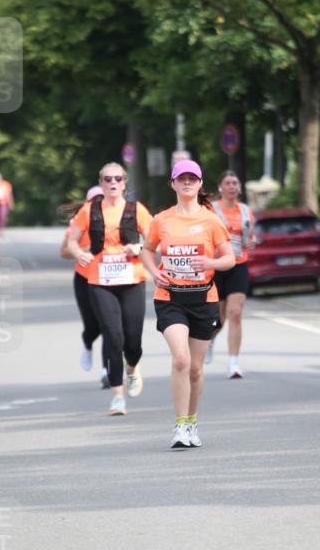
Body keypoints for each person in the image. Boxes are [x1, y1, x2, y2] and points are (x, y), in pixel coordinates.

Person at [141, 159, 235, 449]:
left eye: (192, 179)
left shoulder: (211, 220)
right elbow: (147, 250)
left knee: (195, 369)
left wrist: (210, 262)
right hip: (170, 298)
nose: (187, 183)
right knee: (180, 359)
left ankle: (192, 421)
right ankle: (180, 426)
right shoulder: (162, 219)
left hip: (204, 298)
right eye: (181, 178)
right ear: (172, 184)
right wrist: (154, 272)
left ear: (200, 184)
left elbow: (230, 258)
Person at [67, 164, 152, 416]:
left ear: (124, 183)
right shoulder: (88, 210)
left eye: (117, 179)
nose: (113, 182)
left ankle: (132, 368)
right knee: (113, 337)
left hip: (131, 279)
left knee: (133, 340)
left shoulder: (137, 210)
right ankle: (117, 396)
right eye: (107, 179)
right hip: (100, 282)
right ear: (101, 182)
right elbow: (71, 240)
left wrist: (138, 247)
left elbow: (153, 239)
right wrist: (79, 253)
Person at [207, 170, 256, 378]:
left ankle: (233, 364)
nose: (232, 187)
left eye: (235, 183)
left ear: (239, 187)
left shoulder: (246, 211)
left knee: (235, 313)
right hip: (217, 266)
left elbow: (250, 236)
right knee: (218, 317)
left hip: (238, 265)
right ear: (220, 187)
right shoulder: (211, 209)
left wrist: (251, 241)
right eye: (227, 183)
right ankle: (208, 340)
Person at [59, 185, 109, 388]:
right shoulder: (79, 223)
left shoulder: (116, 219)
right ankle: (87, 342)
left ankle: (107, 369)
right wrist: (83, 250)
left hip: (108, 278)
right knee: (92, 325)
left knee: (109, 324)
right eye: (94, 200)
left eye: (101, 199)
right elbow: (63, 252)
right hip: (84, 278)